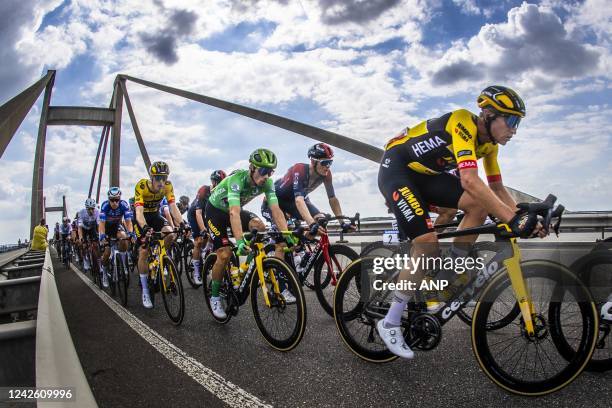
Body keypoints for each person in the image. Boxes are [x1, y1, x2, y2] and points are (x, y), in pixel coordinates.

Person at [375, 85, 546, 359]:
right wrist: (512, 218)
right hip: (397, 170)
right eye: (512, 121)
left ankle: (449, 274)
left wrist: (525, 219)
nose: (514, 130)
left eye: (518, 123)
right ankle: (390, 321)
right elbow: (469, 180)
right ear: (489, 115)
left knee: (477, 204)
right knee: (427, 246)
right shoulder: (462, 122)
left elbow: (498, 190)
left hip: (425, 175)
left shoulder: (489, 145)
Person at [204, 149, 297, 318]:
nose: (266, 176)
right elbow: (233, 212)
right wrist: (239, 241)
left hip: (235, 211)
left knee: (259, 226)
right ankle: (215, 296)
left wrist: (286, 235)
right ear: (252, 168)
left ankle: (245, 267)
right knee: (224, 254)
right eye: (263, 171)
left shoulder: (267, 183)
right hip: (215, 212)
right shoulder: (236, 180)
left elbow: (275, 210)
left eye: (270, 172)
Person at [262, 143, 354, 236]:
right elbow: (299, 200)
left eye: (330, 162)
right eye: (324, 163)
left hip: (293, 203)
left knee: (321, 221)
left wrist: (342, 222)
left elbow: (332, 198)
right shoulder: (299, 169)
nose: (328, 166)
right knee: (284, 238)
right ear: (313, 162)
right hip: (275, 203)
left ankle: (303, 245)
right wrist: (311, 223)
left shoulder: (326, 174)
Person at [133, 161, 184, 309]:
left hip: (155, 216)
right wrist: (144, 228)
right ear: (151, 177)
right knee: (143, 251)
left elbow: (173, 208)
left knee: (170, 233)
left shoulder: (168, 186)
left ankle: (161, 256)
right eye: (158, 178)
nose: (161, 182)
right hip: (142, 218)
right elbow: (139, 213)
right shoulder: (142, 186)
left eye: (164, 178)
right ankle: (145, 290)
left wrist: (182, 224)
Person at [186, 170, 226, 284]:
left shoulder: (222, 192)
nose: (219, 184)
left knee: (213, 234)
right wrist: (203, 230)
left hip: (207, 214)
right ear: (212, 181)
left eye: (222, 182)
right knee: (199, 241)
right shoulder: (204, 190)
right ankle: (196, 272)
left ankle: (206, 252)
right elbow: (198, 213)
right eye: (217, 181)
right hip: (195, 214)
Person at [98, 187, 135, 288]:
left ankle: (123, 264)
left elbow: (128, 222)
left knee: (124, 236)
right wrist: (102, 236)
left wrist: (131, 233)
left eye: (117, 200)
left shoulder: (124, 205)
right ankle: (105, 273)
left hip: (116, 227)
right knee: (106, 252)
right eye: (112, 200)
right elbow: (101, 224)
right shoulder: (105, 206)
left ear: (120, 199)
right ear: (108, 199)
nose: (114, 202)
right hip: (106, 228)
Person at [78, 198, 100, 271]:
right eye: (89, 209)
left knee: (96, 244)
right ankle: (85, 260)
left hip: (92, 228)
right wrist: (81, 238)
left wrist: (100, 235)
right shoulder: (81, 213)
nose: (91, 211)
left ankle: (98, 262)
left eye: (92, 209)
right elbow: (80, 227)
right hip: (84, 229)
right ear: (86, 208)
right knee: (83, 245)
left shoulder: (97, 212)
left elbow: (99, 225)